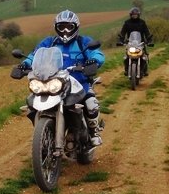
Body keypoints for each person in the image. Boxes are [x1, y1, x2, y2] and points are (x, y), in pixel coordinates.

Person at [18, 10, 105, 146]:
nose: (65, 30)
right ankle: (45, 133)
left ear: (76, 27)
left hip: (79, 83)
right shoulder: (49, 42)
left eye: (69, 27)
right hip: (54, 82)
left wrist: (93, 61)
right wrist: (25, 64)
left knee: (90, 103)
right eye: (61, 26)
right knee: (32, 103)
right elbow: (34, 54)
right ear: (56, 28)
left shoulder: (83, 42)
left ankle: (94, 132)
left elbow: (97, 53)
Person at [117, 6, 154, 76]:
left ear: (138, 15)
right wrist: (121, 40)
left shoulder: (142, 23)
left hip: (140, 44)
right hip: (130, 43)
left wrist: (149, 40)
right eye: (133, 15)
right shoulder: (127, 23)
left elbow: (147, 32)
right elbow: (123, 32)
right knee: (126, 57)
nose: (134, 16)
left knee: (144, 57)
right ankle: (127, 69)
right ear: (131, 15)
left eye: (136, 15)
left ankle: (144, 70)